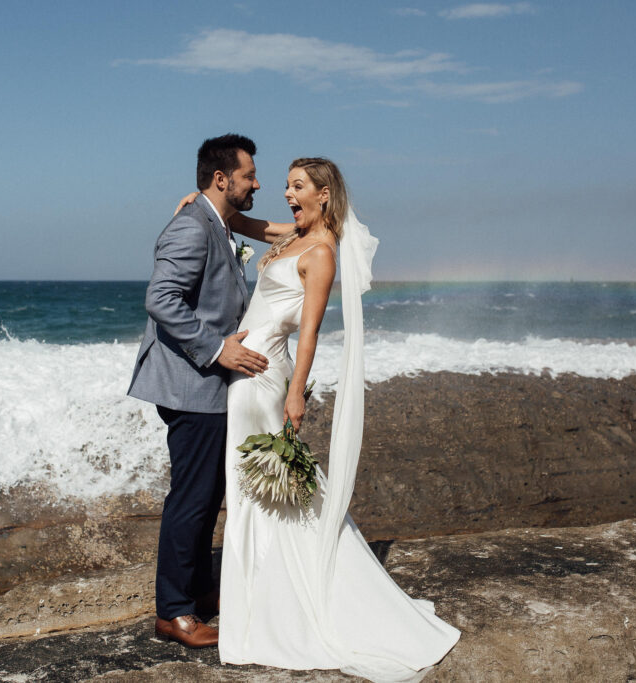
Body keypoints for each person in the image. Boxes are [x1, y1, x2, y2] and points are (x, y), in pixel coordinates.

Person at [184, 158, 460, 680]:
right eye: (286, 185)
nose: (286, 194)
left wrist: (295, 396)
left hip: (264, 376)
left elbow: (308, 333)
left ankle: (280, 604)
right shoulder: (293, 234)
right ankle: (260, 595)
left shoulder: (322, 251)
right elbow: (244, 224)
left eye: (297, 187)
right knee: (257, 489)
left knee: (264, 489)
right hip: (248, 372)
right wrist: (197, 206)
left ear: (325, 195)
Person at [127, 134, 271, 649]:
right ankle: (174, 613)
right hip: (192, 385)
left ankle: (198, 593)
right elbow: (161, 299)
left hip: (207, 387)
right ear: (220, 178)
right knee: (191, 499)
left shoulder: (216, 222)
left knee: (209, 495)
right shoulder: (192, 226)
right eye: (249, 174)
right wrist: (217, 350)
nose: (257, 182)